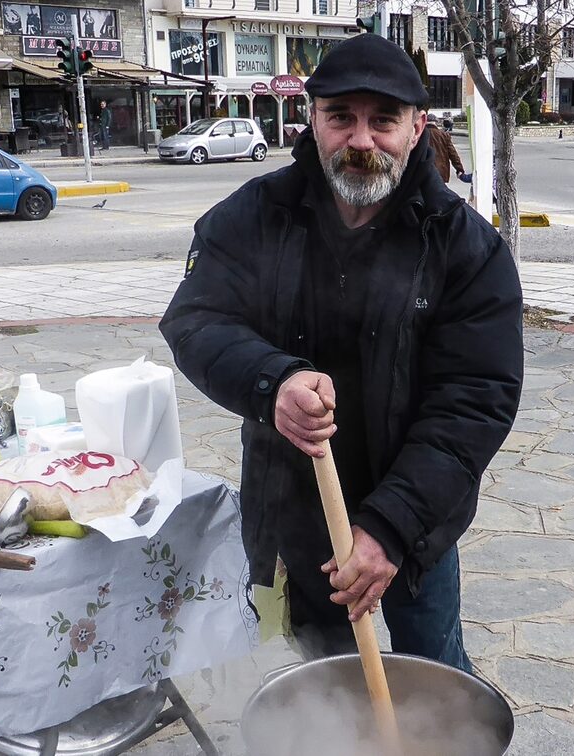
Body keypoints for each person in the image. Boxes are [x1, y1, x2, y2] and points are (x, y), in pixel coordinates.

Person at [160, 33, 524, 674]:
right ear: (313, 120)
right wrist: (273, 384)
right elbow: (195, 319)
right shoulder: (254, 217)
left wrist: (389, 529)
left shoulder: (467, 250)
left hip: (415, 522)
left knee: (432, 678)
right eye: (342, 118)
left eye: (382, 120)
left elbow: (474, 401)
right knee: (310, 683)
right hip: (291, 515)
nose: (361, 140)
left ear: (416, 129)